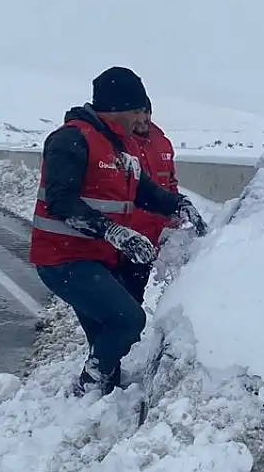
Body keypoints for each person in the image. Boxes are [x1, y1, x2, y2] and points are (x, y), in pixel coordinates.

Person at [28, 66, 207, 397]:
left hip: (96, 259)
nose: (142, 118)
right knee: (128, 320)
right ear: (116, 107)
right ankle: (90, 385)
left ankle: (102, 390)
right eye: (137, 110)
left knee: (103, 332)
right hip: (63, 258)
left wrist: (179, 204)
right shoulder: (71, 140)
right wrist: (116, 233)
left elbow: (145, 191)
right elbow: (60, 201)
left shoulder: (121, 148)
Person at [114, 96, 189, 305]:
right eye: (137, 113)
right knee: (124, 298)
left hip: (158, 236)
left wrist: (175, 214)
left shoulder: (162, 142)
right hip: (129, 237)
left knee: (139, 295)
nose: (142, 119)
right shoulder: (120, 143)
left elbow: (171, 182)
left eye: (146, 112)